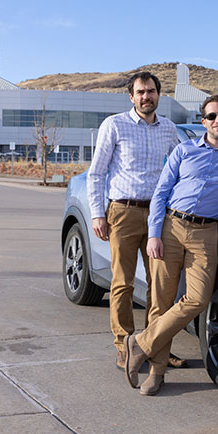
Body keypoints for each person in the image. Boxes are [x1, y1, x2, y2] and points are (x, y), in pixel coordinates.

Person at [124, 95, 218, 395]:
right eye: (212, 116)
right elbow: (160, 193)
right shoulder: (184, 150)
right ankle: (157, 374)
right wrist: (154, 233)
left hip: (206, 232)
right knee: (161, 302)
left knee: (197, 299)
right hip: (171, 226)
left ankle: (140, 343)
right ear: (203, 121)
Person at [87, 71, 187, 370]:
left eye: (152, 91)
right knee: (123, 283)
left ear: (159, 95)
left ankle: (154, 345)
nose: (146, 97)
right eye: (141, 92)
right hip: (123, 212)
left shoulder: (169, 129)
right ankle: (125, 345)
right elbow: (96, 172)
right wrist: (97, 214)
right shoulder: (114, 125)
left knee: (161, 285)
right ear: (131, 96)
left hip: (159, 216)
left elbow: (181, 169)